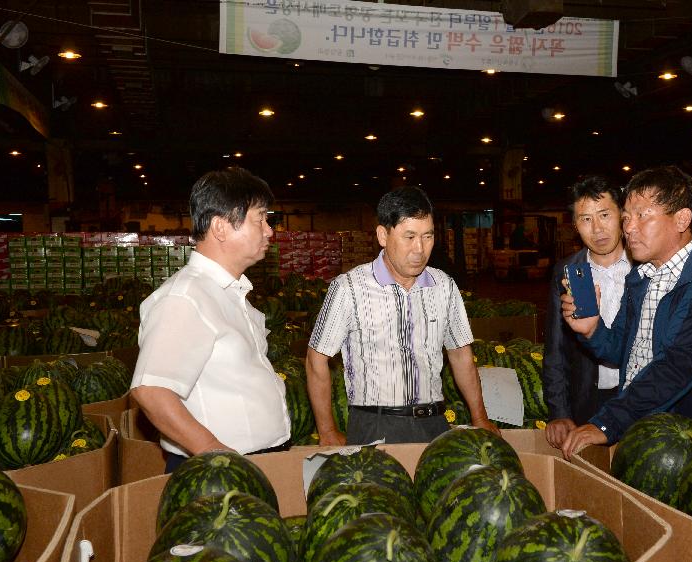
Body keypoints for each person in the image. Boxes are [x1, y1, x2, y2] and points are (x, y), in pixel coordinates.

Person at [559, 165, 692, 459]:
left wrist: (609, 422)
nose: (629, 228)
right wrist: (593, 331)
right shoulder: (641, 277)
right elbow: (622, 350)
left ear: (682, 219)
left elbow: (678, 364)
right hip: (640, 428)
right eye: (627, 218)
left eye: (642, 216)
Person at [306, 186, 499, 445]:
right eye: (409, 237)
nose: (419, 248)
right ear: (383, 235)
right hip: (374, 425)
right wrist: (327, 431)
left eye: (427, 236)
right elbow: (315, 358)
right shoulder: (349, 288)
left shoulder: (445, 286)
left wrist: (480, 417)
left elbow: (461, 354)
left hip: (435, 423)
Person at [131, 167, 292, 473]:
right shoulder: (185, 297)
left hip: (248, 465)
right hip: (214, 474)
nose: (270, 230)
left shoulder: (227, 292)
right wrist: (216, 455)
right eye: (260, 218)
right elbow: (151, 391)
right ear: (221, 227)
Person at [543, 176, 631, 449]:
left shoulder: (644, 269)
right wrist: (559, 413)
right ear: (575, 226)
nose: (598, 229)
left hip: (639, 399)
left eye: (604, 215)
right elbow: (555, 348)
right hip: (588, 401)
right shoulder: (568, 272)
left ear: (622, 215)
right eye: (585, 219)